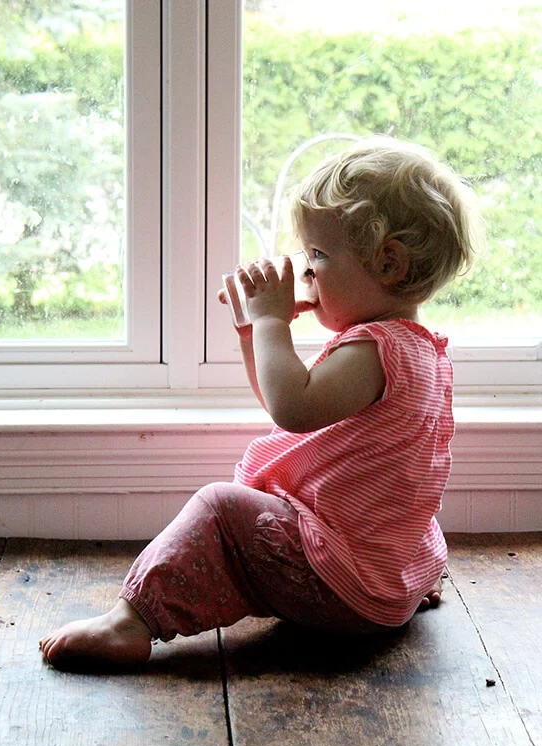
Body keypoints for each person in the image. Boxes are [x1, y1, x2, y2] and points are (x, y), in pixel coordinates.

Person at [39, 135, 482, 672]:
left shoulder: (373, 350)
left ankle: (131, 621)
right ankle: (406, 581)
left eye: (318, 256)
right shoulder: (418, 350)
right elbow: (289, 404)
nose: (306, 272)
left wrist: (273, 320)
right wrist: (255, 333)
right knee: (400, 508)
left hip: (340, 588)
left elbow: (291, 408)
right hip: (382, 589)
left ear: (388, 263)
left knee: (220, 509)